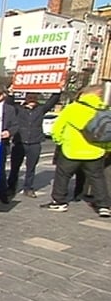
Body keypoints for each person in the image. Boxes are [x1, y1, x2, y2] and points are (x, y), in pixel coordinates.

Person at [41, 83, 111, 218]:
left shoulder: (72, 108)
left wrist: (60, 141)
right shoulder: (105, 109)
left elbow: (57, 128)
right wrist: (107, 149)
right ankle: (103, 206)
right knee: (97, 178)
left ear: (84, 94)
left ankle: (59, 201)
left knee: (62, 176)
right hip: (95, 151)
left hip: (71, 150)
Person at [7, 88, 61, 198]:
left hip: (35, 142)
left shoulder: (40, 109)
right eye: (30, 97)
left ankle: (28, 188)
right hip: (20, 142)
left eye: (34, 98)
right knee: (14, 168)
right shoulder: (19, 109)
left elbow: (52, 101)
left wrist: (58, 90)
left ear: (37, 99)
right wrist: (11, 93)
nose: (32, 100)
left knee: (31, 168)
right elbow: (9, 103)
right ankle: (11, 188)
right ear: (26, 98)